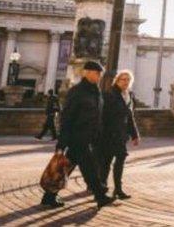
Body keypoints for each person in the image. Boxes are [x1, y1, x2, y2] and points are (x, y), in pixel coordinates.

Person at [40, 60, 114, 209]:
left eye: (100, 73)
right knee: (89, 168)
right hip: (77, 137)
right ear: (86, 73)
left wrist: (99, 134)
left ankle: (49, 196)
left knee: (66, 167)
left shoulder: (96, 92)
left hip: (89, 137)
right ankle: (100, 195)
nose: (99, 76)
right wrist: (61, 142)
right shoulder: (77, 92)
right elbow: (67, 117)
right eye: (96, 73)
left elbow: (98, 115)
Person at [99, 69, 140, 200]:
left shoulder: (129, 95)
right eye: (123, 79)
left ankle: (118, 189)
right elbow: (102, 115)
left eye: (128, 80)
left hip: (121, 135)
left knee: (120, 159)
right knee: (106, 162)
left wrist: (135, 135)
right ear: (117, 80)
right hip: (108, 134)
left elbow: (130, 117)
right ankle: (102, 189)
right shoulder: (109, 94)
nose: (126, 82)